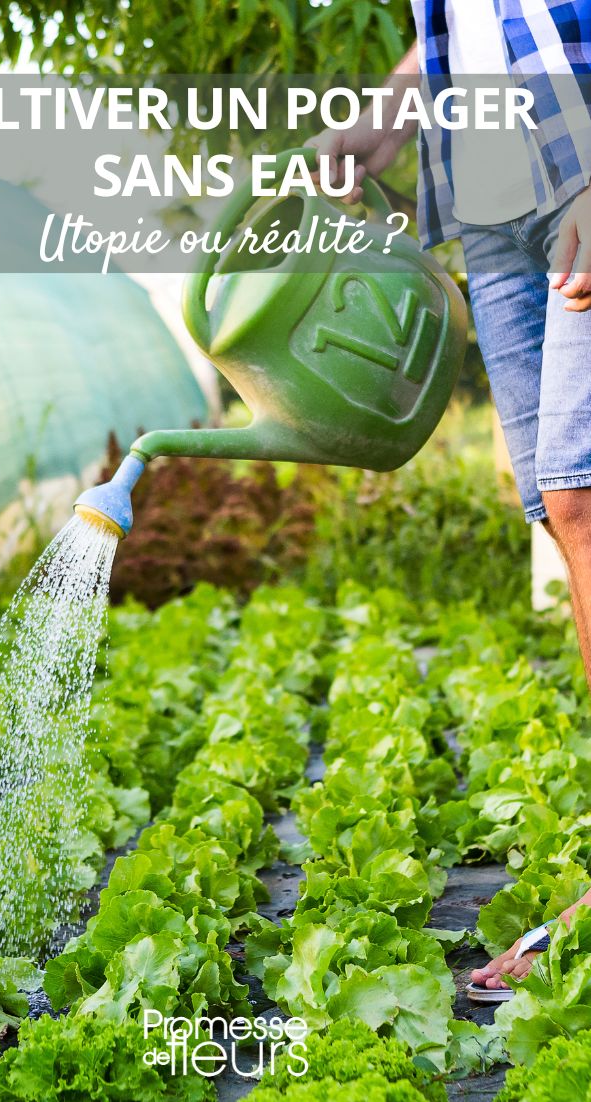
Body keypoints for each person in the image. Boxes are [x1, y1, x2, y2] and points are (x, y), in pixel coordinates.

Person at [309, 0, 591, 1000]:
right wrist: (389, 114)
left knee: (584, 493)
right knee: (560, 510)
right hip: (486, 183)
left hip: (576, 149)